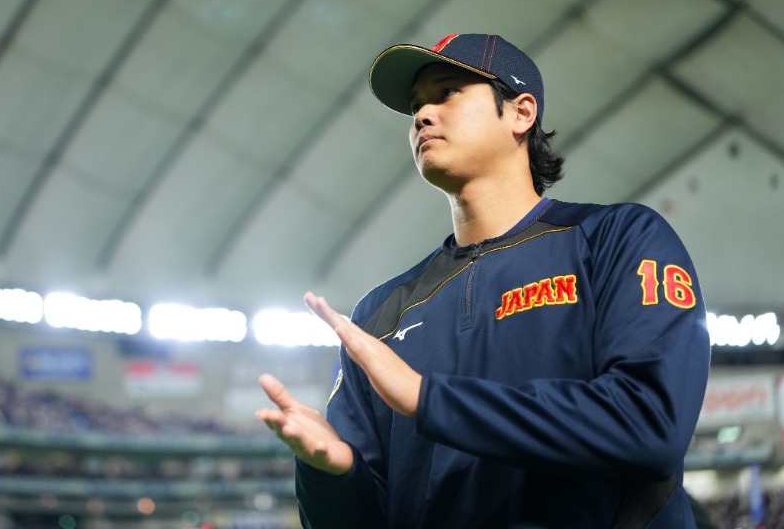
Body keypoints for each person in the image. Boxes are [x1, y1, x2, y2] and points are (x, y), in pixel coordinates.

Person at [256, 33, 711, 528]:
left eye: (447, 92)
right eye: (415, 106)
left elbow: (650, 424)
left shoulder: (616, 239)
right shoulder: (380, 313)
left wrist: (429, 398)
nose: (422, 116)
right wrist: (332, 474)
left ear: (521, 113)